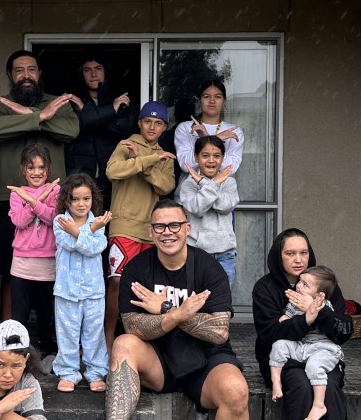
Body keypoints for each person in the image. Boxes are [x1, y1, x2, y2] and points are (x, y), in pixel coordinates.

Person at [86, 200, 252, 420]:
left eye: (174, 225)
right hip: (159, 361)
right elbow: (134, 325)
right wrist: (179, 315)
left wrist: (165, 310)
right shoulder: (137, 268)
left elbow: (218, 332)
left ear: (187, 228)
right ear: (151, 231)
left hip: (206, 363)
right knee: (123, 343)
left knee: (236, 390)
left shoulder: (207, 268)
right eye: (160, 226)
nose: (168, 232)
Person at [251, 229, 353, 420]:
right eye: (290, 253)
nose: (298, 260)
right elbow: (270, 334)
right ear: (278, 255)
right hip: (285, 358)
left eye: (303, 252)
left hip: (321, 353)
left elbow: (343, 331)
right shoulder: (266, 288)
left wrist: (319, 311)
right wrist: (306, 318)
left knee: (329, 387)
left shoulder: (324, 284)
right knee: (300, 387)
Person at [0, 49, 80, 320]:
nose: (26, 75)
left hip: (54, 201)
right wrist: (40, 116)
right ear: (10, 75)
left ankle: (52, 333)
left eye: (31, 69)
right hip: (12, 198)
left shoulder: (59, 103)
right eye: (19, 70)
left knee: (56, 265)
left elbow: (70, 131)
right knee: (10, 266)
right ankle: (7, 329)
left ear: (39, 74)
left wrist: (28, 115)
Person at [103, 101, 177, 345]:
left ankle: (139, 339)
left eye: (158, 123)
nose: (152, 127)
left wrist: (147, 163)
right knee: (117, 283)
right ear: (139, 123)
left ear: (164, 127)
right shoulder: (127, 145)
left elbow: (166, 186)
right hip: (124, 227)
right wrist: (147, 160)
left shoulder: (165, 156)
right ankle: (108, 339)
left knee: (145, 288)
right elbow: (112, 171)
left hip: (151, 230)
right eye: (148, 122)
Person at [52, 173, 111, 392]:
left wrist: (85, 231)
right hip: (66, 290)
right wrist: (89, 231)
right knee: (67, 333)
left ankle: (95, 372)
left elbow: (94, 248)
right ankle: (68, 372)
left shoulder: (99, 223)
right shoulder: (60, 222)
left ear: (92, 199)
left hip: (94, 291)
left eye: (86, 199)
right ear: (67, 200)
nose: (81, 204)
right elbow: (68, 243)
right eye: (75, 199)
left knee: (94, 333)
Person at [269, 266, 346, 420]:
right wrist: (285, 318)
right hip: (302, 346)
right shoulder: (294, 302)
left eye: (305, 285)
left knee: (314, 366)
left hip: (323, 348)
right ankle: (276, 382)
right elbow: (285, 319)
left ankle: (319, 405)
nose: (298, 286)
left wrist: (313, 311)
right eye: (300, 281)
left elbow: (331, 323)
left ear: (319, 295)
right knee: (279, 346)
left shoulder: (325, 305)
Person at [7, 144, 60, 357]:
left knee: (46, 311)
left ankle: (48, 350)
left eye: (41, 167)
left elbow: (53, 218)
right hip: (22, 262)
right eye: (31, 168)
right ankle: (17, 351)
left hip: (47, 261)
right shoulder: (17, 193)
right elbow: (19, 221)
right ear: (23, 170)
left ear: (48, 169)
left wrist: (33, 201)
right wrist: (36, 199)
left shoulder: (56, 191)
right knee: (20, 312)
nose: (36, 172)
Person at [65, 56, 133, 210]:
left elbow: (122, 128)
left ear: (106, 71)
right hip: (79, 172)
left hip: (111, 173)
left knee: (109, 223)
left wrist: (87, 114)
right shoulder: (73, 98)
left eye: (98, 68)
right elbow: (74, 127)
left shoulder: (120, 97)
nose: (93, 74)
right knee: (81, 225)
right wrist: (111, 111)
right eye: (87, 69)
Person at [175, 135, 239, 289]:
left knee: (222, 301)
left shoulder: (229, 182)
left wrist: (204, 183)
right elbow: (197, 208)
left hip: (225, 253)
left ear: (222, 158)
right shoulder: (188, 184)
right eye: (205, 155)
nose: (211, 160)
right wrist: (214, 184)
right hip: (196, 253)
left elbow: (225, 206)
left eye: (217, 156)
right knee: (195, 300)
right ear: (196, 158)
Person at [173, 79, 244, 175]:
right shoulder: (185, 128)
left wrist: (208, 140)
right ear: (199, 101)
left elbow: (231, 169)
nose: (212, 101)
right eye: (206, 97)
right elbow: (186, 166)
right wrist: (216, 139)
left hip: (221, 189)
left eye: (218, 97)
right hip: (191, 188)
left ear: (224, 102)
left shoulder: (234, 132)